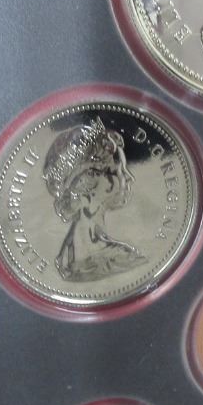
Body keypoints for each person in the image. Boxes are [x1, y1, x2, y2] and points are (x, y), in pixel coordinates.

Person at [41, 116, 144, 282]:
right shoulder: (122, 258)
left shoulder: (65, 260)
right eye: (118, 171)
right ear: (90, 180)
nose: (129, 177)